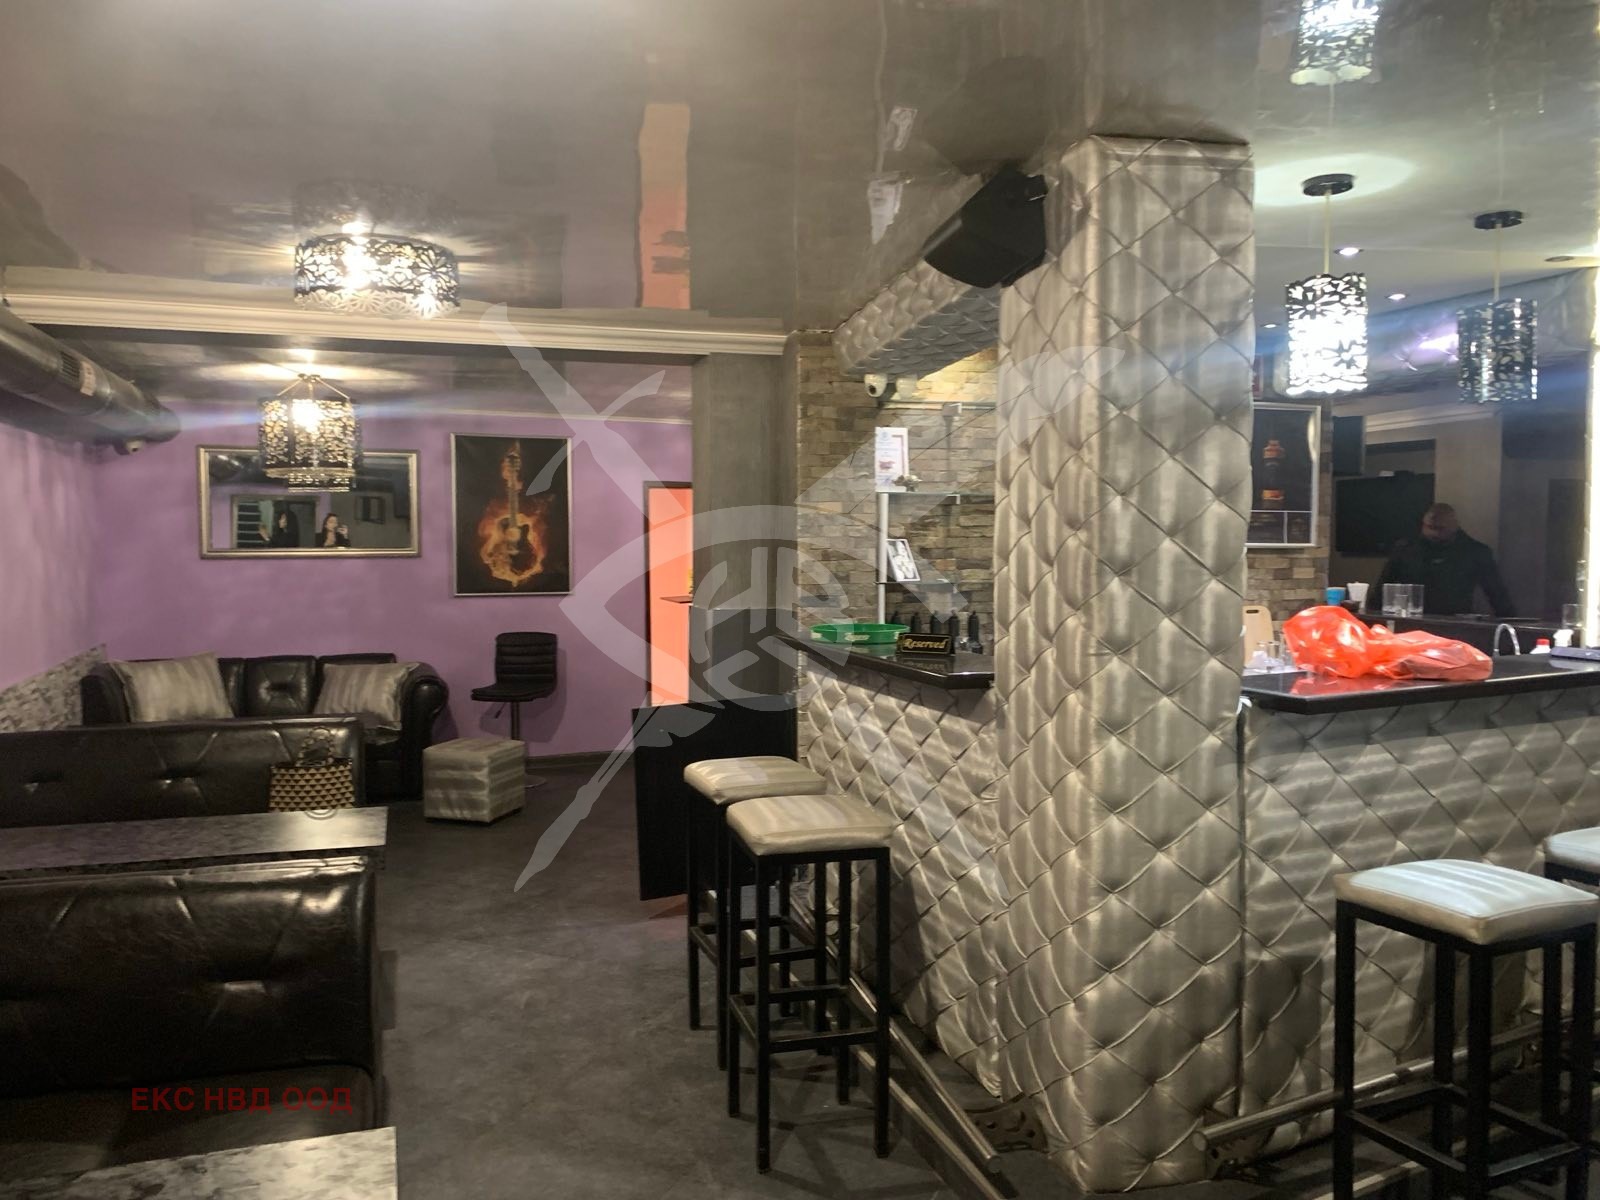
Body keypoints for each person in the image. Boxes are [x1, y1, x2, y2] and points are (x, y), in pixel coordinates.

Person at [1370, 503, 1514, 617]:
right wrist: (1372, 618)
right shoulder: (1405, 549)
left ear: (1454, 526)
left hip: (1455, 622)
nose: (1433, 533)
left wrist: (1510, 623)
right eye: (1429, 527)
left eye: (1440, 528)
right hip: (1413, 619)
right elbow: (1383, 588)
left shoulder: (1475, 552)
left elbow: (1497, 593)